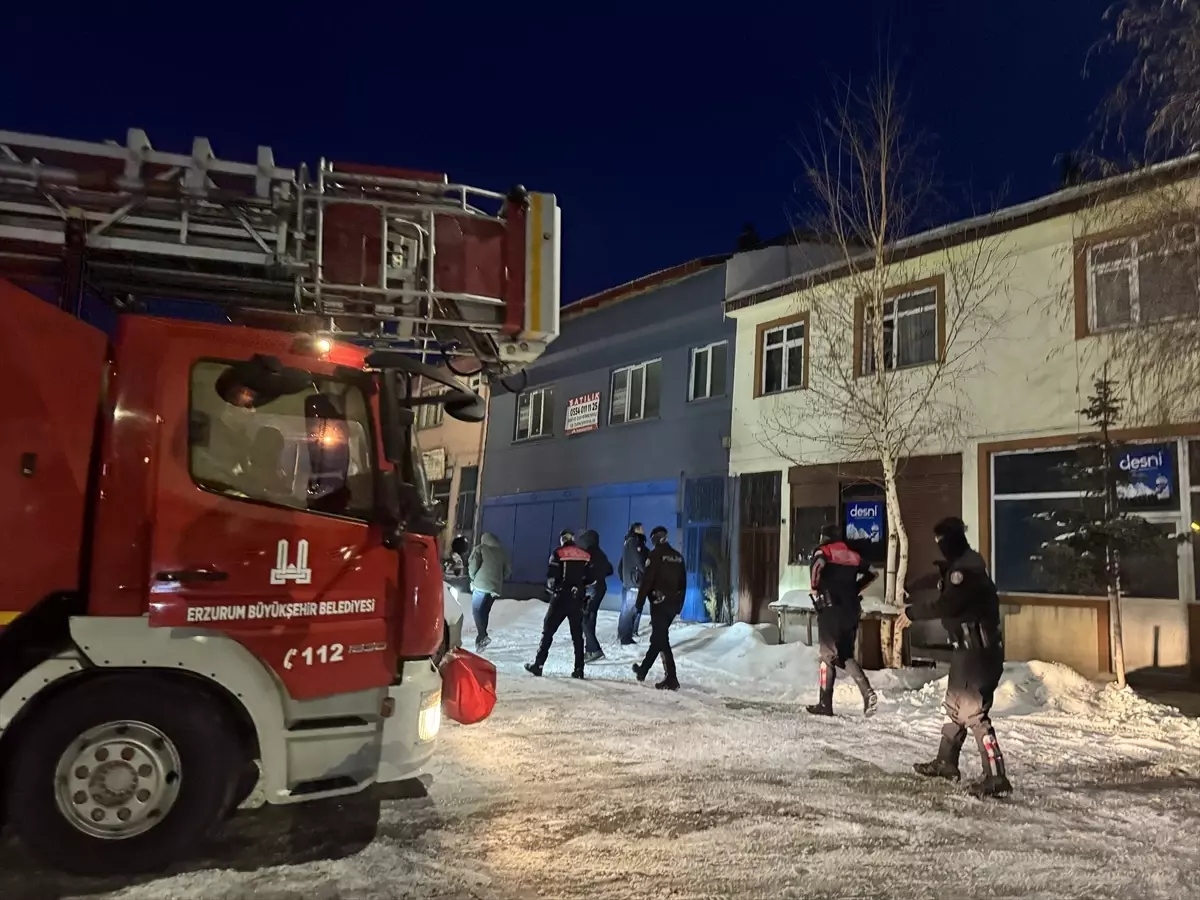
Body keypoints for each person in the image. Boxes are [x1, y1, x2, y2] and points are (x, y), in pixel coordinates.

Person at [902, 516, 1012, 799]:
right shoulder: (963, 566)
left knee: (974, 713)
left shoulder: (966, 572)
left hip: (978, 651)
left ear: (952, 541)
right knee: (955, 706)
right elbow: (942, 579)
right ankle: (946, 762)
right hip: (968, 650)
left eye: (941, 542)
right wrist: (913, 585)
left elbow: (948, 603)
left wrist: (912, 612)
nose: (940, 548)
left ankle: (996, 776)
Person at [806, 524, 879, 718]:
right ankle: (867, 692)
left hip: (831, 610)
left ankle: (825, 704)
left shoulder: (825, 551)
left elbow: (818, 566)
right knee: (844, 654)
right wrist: (855, 588)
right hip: (852, 610)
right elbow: (874, 572)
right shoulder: (853, 555)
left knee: (827, 656)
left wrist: (815, 586)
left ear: (825, 537)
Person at [525, 530, 594, 679]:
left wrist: (554, 588)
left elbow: (552, 576)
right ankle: (579, 669)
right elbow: (591, 578)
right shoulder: (584, 555)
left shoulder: (558, 553)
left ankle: (539, 664)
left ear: (562, 540)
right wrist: (580, 588)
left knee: (548, 630)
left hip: (561, 598)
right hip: (577, 599)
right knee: (577, 635)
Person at [631, 526, 687, 691]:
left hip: (659, 604)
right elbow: (683, 584)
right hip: (673, 604)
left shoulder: (654, 555)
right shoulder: (678, 557)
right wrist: (679, 606)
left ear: (655, 538)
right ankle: (643, 670)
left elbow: (647, 581)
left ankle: (672, 677)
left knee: (662, 639)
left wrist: (639, 602)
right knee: (658, 638)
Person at [575, 529, 614, 663]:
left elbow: (582, 572)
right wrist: (599, 574)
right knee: (589, 618)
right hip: (600, 588)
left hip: (591, 590)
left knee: (585, 620)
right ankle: (590, 650)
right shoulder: (600, 553)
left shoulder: (587, 553)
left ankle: (594, 650)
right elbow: (609, 569)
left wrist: (588, 578)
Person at [468, 533, 511, 652]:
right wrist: (497, 580)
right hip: (495, 588)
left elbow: (473, 566)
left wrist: (473, 578)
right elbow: (507, 571)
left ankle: (483, 636)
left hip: (480, 585)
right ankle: (481, 641)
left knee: (476, 611)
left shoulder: (480, 548)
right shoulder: (502, 552)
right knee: (484, 612)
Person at [617, 523, 649, 645]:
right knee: (630, 611)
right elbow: (639, 561)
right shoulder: (633, 542)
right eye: (642, 528)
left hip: (630, 582)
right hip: (633, 583)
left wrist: (624, 579)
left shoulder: (631, 543)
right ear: (636, 529)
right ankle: (625, 638)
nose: (643, 530)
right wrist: (647, 573)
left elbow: (621, 565)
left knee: (628, 610)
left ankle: (625, 634)